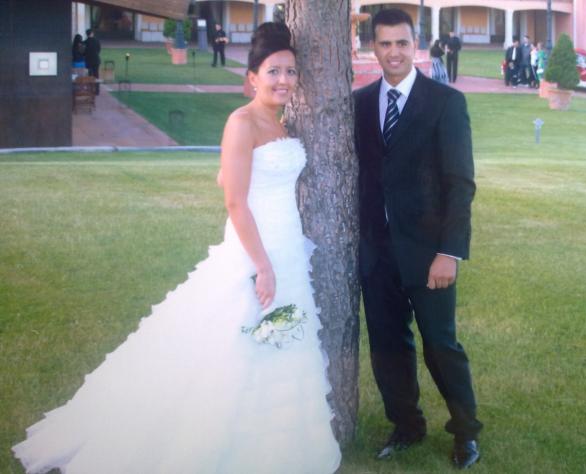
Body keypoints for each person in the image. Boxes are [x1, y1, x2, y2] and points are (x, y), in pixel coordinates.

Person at [12, 22, 341, 474]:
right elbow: (234, 201)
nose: (283, 80)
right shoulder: (241, 121)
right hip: (256, 252)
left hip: (287, 247)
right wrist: (262, 265)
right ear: (252, 77)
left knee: (280, 344)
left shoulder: (282, 125)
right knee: (234, 343)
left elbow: (230, 176)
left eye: (290, 71)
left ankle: (273, 450)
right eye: (273, 71)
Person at [353, 8, 483, 470]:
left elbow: (460, 183)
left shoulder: (445, 102)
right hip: (377, 253)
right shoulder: (360, 103)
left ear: (417, 46)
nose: (394, 52)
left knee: (441, 346)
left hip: (430, 253)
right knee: (388, 346)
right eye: (385, 44)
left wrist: (449, 252)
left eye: (402, 43)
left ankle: (466, 432)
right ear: (374, 47)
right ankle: (406, 425)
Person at [83, 29, 101, 94]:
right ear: (92, 33)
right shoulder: (97, 41)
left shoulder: (85, 42)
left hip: (88, 61)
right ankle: (97, 90)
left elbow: (83, 52)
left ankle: (90, 89)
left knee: (90, 75)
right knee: (96, 75)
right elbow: (99, 50)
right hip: (96, 60)